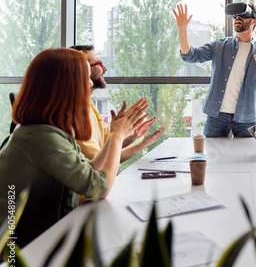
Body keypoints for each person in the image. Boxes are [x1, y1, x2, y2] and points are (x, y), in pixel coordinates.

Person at [0, 48, 147, 248]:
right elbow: (99, 189)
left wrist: (115, 136)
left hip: (39, 237)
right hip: (18, 252)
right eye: (85, 77)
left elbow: (91, 168)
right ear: (67, 85)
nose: (90, 83)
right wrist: (118, 136)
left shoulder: (50, 129)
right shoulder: (43, 137)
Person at [173, 3, 256, 137]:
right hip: (216, 116)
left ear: (254, 21)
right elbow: (190, 55)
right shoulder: (219, 45)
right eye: (236, 16)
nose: (238, 18)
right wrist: (182, 29)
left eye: (243, 16)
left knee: (247, 157)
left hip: (247, 118)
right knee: (213, 156)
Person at [70, 45, 165, 161]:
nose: (104, 68)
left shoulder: (89, 105)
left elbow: (108, 144)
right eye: (99, 64)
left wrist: (132, 134)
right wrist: (142, 144)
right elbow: (101, 159)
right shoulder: (74, 111)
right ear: (83, 70)